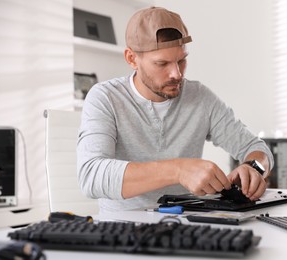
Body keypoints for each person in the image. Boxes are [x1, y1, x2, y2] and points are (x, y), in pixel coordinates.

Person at [77, 6, 274, 213]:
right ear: (131, 59)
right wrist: (178, 170)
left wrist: (253, 168)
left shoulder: (200, 97)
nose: (177, 74)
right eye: (162, 63)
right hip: (122, 227)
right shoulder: (105, 97)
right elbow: (91, 176)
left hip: (187, 222)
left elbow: (258, 149)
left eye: (182, 60)